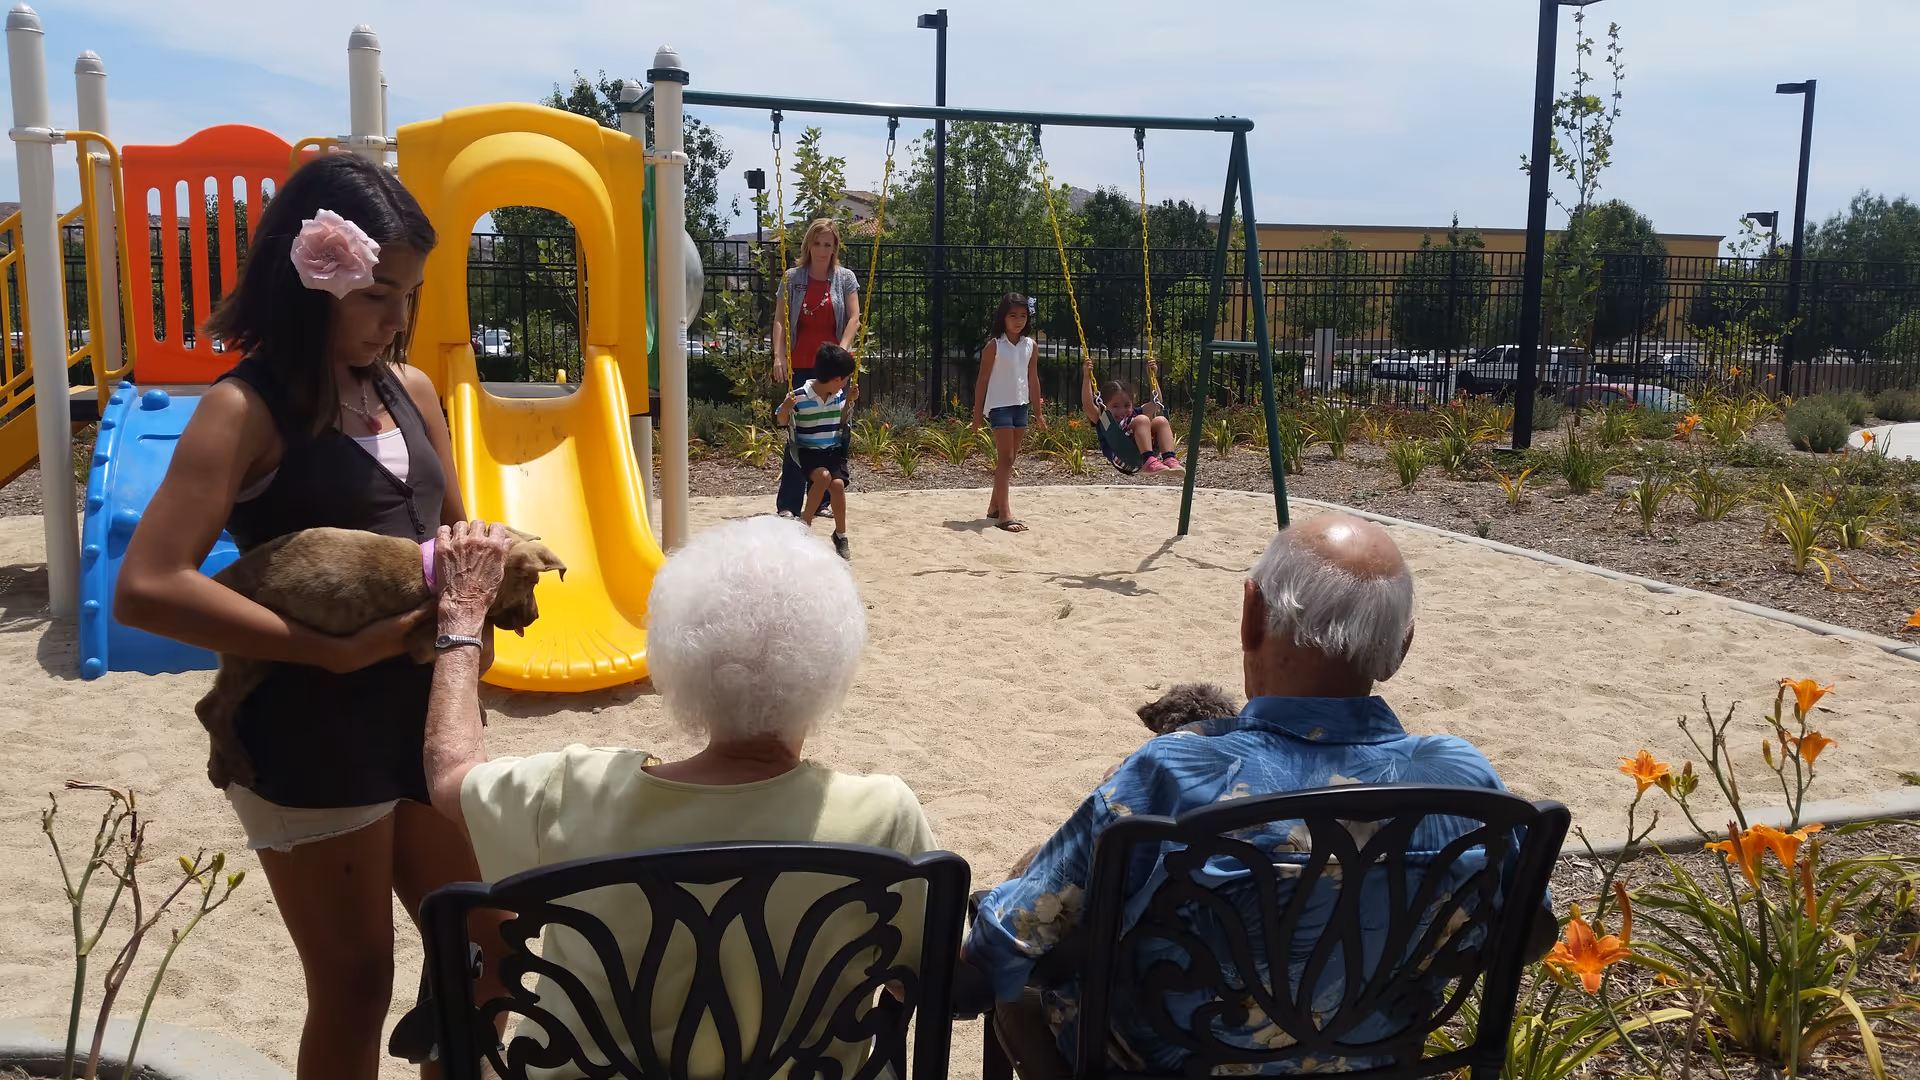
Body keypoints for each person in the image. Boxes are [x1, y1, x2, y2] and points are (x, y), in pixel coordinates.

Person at [113, 154, 506, 1080]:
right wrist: (326, 654)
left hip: (421, 723)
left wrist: (474, 621)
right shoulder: (244, 410)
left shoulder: (407, 392)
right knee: (358, 984)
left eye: (407, 295)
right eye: (375, 295)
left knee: (497, 943)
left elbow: (451, 537)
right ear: (310, 280)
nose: (396, 319)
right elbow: (149, 584)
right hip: (308, 730)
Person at [964, 513, 1521, 1077]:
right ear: (1401, 647)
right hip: (1370, 1060)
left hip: (1169, 1063)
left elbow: (1003, 948)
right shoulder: (1465, 780)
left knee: (1021, 992)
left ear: (1251, 613)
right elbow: (1524, 933)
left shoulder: (1178, 773)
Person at [420, 514, 936, 1078]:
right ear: (834, 661)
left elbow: (451, 775)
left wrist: (463, 615)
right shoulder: (883, 818)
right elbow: (933, 979)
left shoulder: (574, 791)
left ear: (673, 656)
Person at [773, 219, 861, 519]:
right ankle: (788, 504)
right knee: (799, 434)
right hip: (801, 363)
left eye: (828, 244)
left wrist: (843, 349)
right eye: (817, 243)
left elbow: (853, 318)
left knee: (834, 434)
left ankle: (822, 501)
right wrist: (779, 356)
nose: (822, 249)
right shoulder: (793, 277)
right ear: (808, 244)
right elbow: (780, 320)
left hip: (832, 368)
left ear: (835, 247)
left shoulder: (845, 278)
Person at [971, 293, 1045, 532]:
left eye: (1023, 316)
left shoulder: (1030, 345)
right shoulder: (995, 346)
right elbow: (982, 381)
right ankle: (1005, 514)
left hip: (1020, 405)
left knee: (1010, 459)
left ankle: (994, 507)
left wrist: (1039, 412)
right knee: (1006, 458)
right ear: (1003, 317)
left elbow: (1033, 379)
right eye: (1013, 315)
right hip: (999, 405)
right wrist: (977, 415)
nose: (1018, 320)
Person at [776, 344, 858, 560]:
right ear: (836, 378)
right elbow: (782, 421)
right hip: (808, 452)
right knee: (823, 478)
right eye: (846, 378)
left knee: (838, 484)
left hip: (832, 450)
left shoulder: (839, 395)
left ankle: (840, 535)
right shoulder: (800, 396)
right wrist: (785, 407)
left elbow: (842, 421)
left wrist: (849, 402)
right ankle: (805, 525)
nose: (847, 382)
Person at [1082, 359, 1182, 473]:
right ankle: (1149, 460)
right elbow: (1088, 406)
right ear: (1104, 405)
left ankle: (1169, 458)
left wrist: (1152, 376)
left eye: (1127, 405)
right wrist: (1086, 377)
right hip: (1122, 456)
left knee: (1161, 420)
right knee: (1142, 420)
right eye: (1115, 406)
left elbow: (1156, 403)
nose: (1122, 410)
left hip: (1140, 453)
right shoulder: (1105, 419)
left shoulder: (1134, 414)